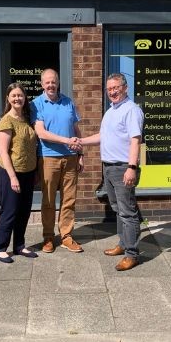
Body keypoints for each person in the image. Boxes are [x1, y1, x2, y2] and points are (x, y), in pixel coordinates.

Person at [77, 73, 144, 271]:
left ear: (125, 88)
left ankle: (132, 254)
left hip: (123, 167)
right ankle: (123, 244)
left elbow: (135, 140)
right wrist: (81, 142)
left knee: (128, 212)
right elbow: (102, 136)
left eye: (116, 88)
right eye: (109, 89)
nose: (112, 92)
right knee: (117, 209)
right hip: (108, 167)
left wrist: (131, 168)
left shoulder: (131, 110)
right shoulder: (111, 111)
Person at [30, 68, 84, 254]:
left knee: (69, 199)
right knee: (48, 200)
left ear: (58, 82)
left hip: (71, 158)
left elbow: (76, 129)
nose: (51, 85)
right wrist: (67, 141)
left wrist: (81, 154)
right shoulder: (36, 104)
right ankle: (48, 237)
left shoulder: (68, 102)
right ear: (42, 84)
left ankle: (66, 236)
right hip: (48, 158)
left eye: (53, 81)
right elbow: (41, 133)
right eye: (47, 82)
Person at [0, 82, 38, 264]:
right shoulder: (6, 120)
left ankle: (19, 245)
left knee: (24, 211)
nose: (17, 98)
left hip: (28, 171)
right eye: (14, 95)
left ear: (25, 98)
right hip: (11, 172)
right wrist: (12, 177)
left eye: (20, 95)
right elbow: (3, 152)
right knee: (10, 211)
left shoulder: (26, 118)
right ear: (8, 98)